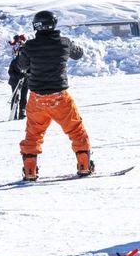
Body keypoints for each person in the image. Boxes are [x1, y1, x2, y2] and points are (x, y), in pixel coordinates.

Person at [13, 10, 91, 181]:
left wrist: (25, 54)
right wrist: (69, 45)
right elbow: (78, 54)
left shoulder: (30, 46)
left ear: (36, 26)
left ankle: (30, 170)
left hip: (37, 99)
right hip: (60, 97)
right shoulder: (64, 43)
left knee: (33, 135)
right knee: (76, 130)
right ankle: (84, 165)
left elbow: (21, 66)